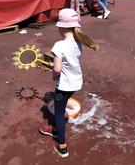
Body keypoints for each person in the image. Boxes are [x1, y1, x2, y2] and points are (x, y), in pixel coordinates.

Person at [39, 8, 99, 158]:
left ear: (61, 27)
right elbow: (68, 62)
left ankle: (62, 146)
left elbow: (58, 68)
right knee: (61, 105)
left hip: (64, 85)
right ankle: (54, 129)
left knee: (59, 114)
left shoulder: (59, 46)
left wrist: (53, 73)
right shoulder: (79, 43)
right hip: (75, 82)